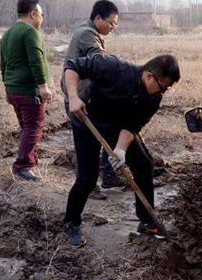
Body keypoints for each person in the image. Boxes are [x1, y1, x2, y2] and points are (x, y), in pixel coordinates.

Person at [62, 53, 180, 246]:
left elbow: (133, 125)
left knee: (143, 165)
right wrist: (73, 97)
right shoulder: (113, 67)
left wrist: (120, 150)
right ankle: (71, 222)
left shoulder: (153, 98)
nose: (162, 93)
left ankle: (147, 222)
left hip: (116, 127)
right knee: (87, 178)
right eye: (162, 87)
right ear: (149, 76)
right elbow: (72, 66)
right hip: (87, 120)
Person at [60, 0, 124, 190]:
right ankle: (87, 185)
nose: (113, 27)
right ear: (98, 18)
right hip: (79, 99)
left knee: (110, 131)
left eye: (115, 24)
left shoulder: (89, 31)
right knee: (85, 144)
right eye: (110, 23)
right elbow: (101, 60)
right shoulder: (87, 34)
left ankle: (108, 174)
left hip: (85, 96)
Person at [0, 0, 52, 181]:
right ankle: (23, 166)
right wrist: (43, 86)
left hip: (13, 89)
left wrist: (8, 86)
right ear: (33, 14)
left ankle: (28, 159)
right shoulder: (30, 32)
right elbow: (36, 60)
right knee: (33, 126)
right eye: (41, 14)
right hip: (28, 90)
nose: (42, 18)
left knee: (26, 126)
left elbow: (3, 64)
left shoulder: (8, 34)